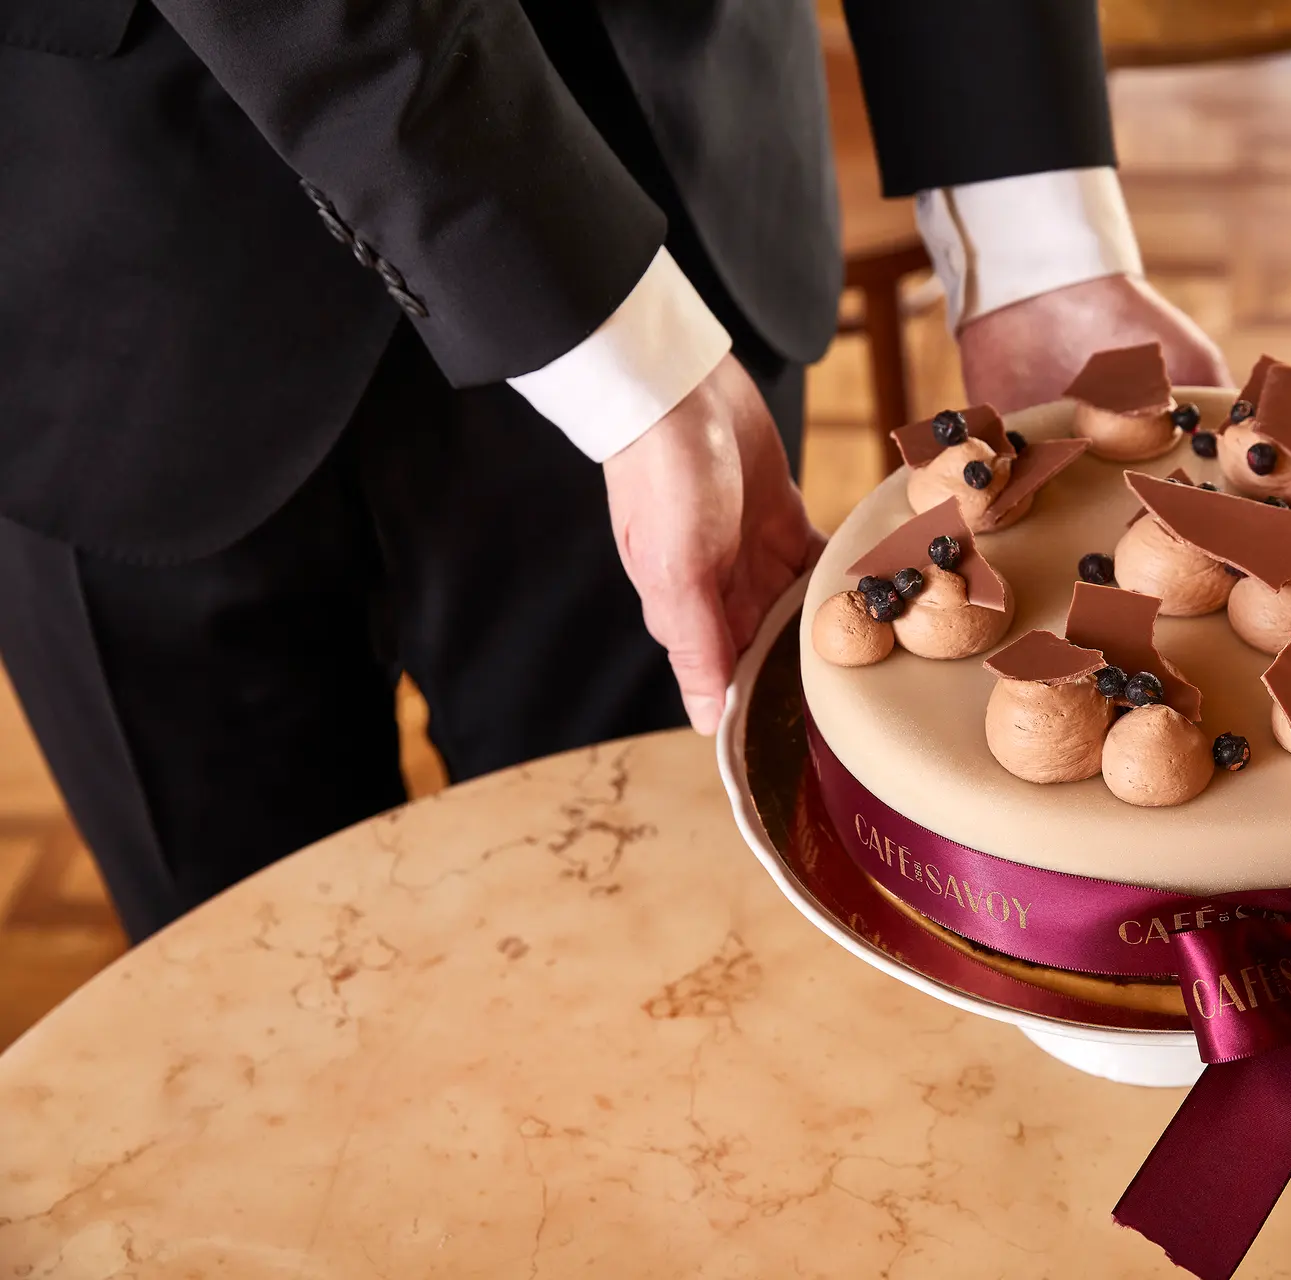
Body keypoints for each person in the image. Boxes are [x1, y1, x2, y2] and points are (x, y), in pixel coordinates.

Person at [0, 0, 1229, 942]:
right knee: (254, 1011)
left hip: (667, 171)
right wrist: (622, 357)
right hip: (106, 255)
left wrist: (1032, 242)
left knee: (664, 942)